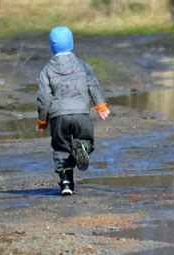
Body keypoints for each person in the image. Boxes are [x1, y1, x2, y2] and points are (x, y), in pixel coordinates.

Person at [35, 26, 110, 196]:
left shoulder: (46, 70)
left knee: (61, 149)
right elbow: (92, 84)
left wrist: (42, 120)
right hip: (80, 113)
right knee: (86, 141)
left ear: (51, 46)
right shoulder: (82, 65)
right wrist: (100, 105)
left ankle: (66, 182)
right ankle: (82, 146)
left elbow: (44, 97)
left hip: (58, 117)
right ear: (71, 44)